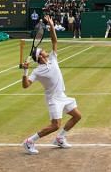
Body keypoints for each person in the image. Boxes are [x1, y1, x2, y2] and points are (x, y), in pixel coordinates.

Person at [21, 16, 82, 155]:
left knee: (77, 116)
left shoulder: (52, 58)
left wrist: (52, 26)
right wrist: (25, 71)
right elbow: (26, 85)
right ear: (40, 56)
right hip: (53, 99)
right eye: (42, 50)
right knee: (55, 125)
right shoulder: (37, 71)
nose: (45, 50)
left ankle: (60, 138)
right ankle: (29, 141)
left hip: (62, 96)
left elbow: (55, 41)